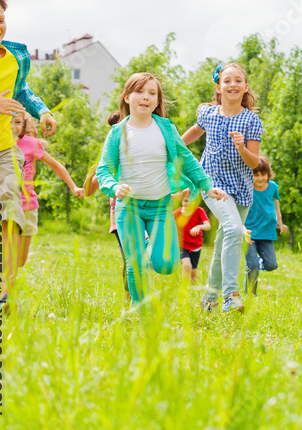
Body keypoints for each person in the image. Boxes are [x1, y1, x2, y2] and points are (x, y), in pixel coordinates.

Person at [96, 72, 224, 306]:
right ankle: (139, 308)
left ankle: (146, 243)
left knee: (166, 264)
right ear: (127, 97)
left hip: (159, 207)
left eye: (152, 93)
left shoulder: (165, 128)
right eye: (140, 92)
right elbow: (103, 170)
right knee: (135, 265)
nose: (146, 97)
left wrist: (208, 185)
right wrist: (114, 187)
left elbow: (186, 159)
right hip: (129, 207)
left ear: (157, 101)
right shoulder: (117, 133)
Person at [0, 0, 57, 260]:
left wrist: (43, 111)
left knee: (9, 207)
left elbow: (21, 90)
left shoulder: (15, 56)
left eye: (0, 19)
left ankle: (5, 291)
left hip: (3, 152)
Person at [181, 63, 262, 314]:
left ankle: (210, 298)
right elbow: (188, 137)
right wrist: (170, 151)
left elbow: (254, 162)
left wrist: (241, 148)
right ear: (219, 87)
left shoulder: (251, 121)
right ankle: (231, 294)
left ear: (245, 87)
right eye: (227, 80)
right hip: (212, 184)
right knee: (235, 229)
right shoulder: (208, 115)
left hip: (241, 189)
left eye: (238, 80)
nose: (233, 85)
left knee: (224, 240)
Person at [0, 112, 84, 308]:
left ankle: (7, 287)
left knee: (20, 260)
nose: (14, 126)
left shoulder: (31, 144)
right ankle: (6, 296)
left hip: (29, 205)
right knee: (8, 253)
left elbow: (56, 165)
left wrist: (73, 187)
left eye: (18, 122)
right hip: (7, 204)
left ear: (24, 124)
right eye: (9, 122)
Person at [84, 112, 131, 295]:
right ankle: (130, 299)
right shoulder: (109, 162)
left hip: (146, 212)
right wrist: (89, 177)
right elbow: (88, 191)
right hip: (120, 218)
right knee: (129, 259)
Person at [244, 155, 287, 295]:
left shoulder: (273, 187)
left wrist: (280, 223)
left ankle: (255, 264)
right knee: (253, 266)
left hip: (267, 231)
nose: (260, 178)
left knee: (271, 265)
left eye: (263, 174)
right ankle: (250, 295)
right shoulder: (247, 187)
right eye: (256, 175)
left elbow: (276, 206)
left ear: (268, 174)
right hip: (249, 232)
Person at [174, 194, 211, 285]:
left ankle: (192, 290)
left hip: (196, 245)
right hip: (182, 244)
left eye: (191, 200)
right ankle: (184, 288)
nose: (189, 203)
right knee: (186, 265)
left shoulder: (199, 211)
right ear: (182, 202)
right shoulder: (176, 214)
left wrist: (199, 226)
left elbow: (208, 226)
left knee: (193, 273)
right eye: (186, 201)